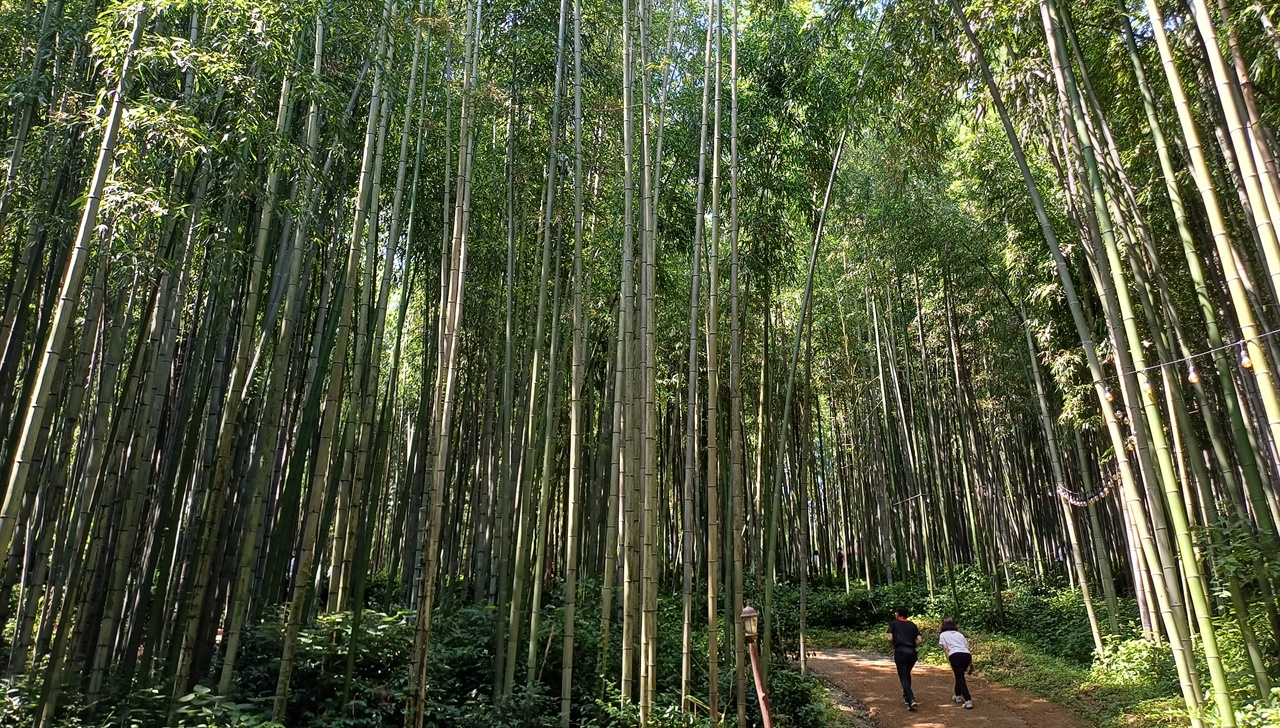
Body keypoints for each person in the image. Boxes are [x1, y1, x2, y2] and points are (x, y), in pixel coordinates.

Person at [886, 607, 922, 710]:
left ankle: (911, 699)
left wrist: (895, 645)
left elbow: (890, 638)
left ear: (897, 614)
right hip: (912, 652)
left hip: (900, 651)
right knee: (906, 673)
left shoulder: (893, 624)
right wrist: (912, 645)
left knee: (903, 676)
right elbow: (920, 639)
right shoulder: (912, 625)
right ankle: (907, 697)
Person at [939, 616, 975, 709]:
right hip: (966, 655)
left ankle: (968, 700)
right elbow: (967, 647)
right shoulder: (960, 634)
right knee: (959, 675)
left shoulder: (943, 635)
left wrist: (949, 661)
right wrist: (971, 663)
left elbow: (946, 649)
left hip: (955, 655)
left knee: (960, 678)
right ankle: (957, 695)